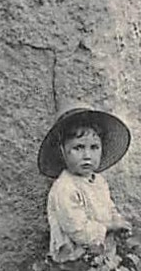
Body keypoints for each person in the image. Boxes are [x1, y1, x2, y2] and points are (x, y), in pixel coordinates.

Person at [38, 104, 131, 260]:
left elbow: (109, 207)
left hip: (101, 253)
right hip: (75, 260)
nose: (87, 155)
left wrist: (118, 220)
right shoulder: (65, 188)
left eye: (94, 147)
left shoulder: (99, 181)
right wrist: (109, 227)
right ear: (62, 151)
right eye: (78, 148)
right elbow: (77, 229)